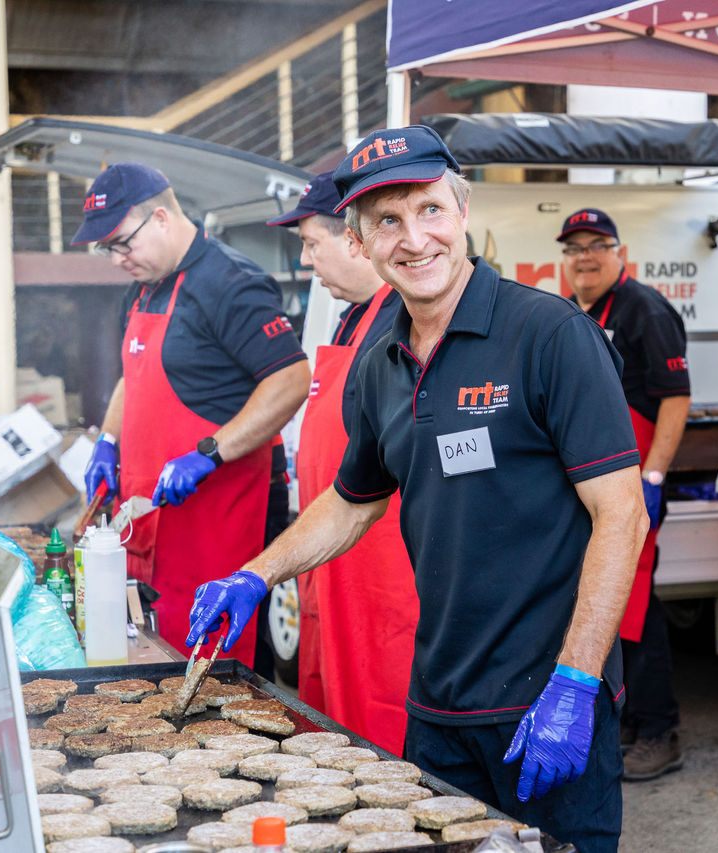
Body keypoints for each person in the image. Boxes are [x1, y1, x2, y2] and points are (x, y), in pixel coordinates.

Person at [187, 126, 648, 853]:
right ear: (362, 241)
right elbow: (353, 498)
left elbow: (620, 513)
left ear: (462, 210)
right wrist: (256, 571)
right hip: (437, 705)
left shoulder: (548, 334)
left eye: (430, 209)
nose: (414, 238)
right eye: (387, 221)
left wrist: (576, 681)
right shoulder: (380, 365)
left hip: (549, 702)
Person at [75, 162, 310, 658]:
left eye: (122, 242)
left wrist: (209, 453)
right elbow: (130, 377)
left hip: (221, 513)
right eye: (107, 249)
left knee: (221, 663)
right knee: (156, 652)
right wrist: (108, 443)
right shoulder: (142, 288)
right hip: (152, 519)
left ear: (160, 217)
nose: (117, 259)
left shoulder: (232, 282)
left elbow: (290, 380)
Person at [266, 171, 417, 752]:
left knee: (381, 734)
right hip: (332, 562)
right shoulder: (353, 316)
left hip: (381, 574)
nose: (307, 262)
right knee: (330, 721)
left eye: (311, 244)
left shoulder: (401, 320)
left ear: (355, 241)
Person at [558, 208, 692, 781]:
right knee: (607, 601)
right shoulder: (577, 311)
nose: (585, 256)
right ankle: (632, 719)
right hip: (593, 484)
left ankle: (661, 730)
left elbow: (676, 398)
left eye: (597, 244)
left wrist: (654, 478)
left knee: (636, 604)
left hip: (633, 484)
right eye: (574, 247)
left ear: (620, 251)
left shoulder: (645, 308)